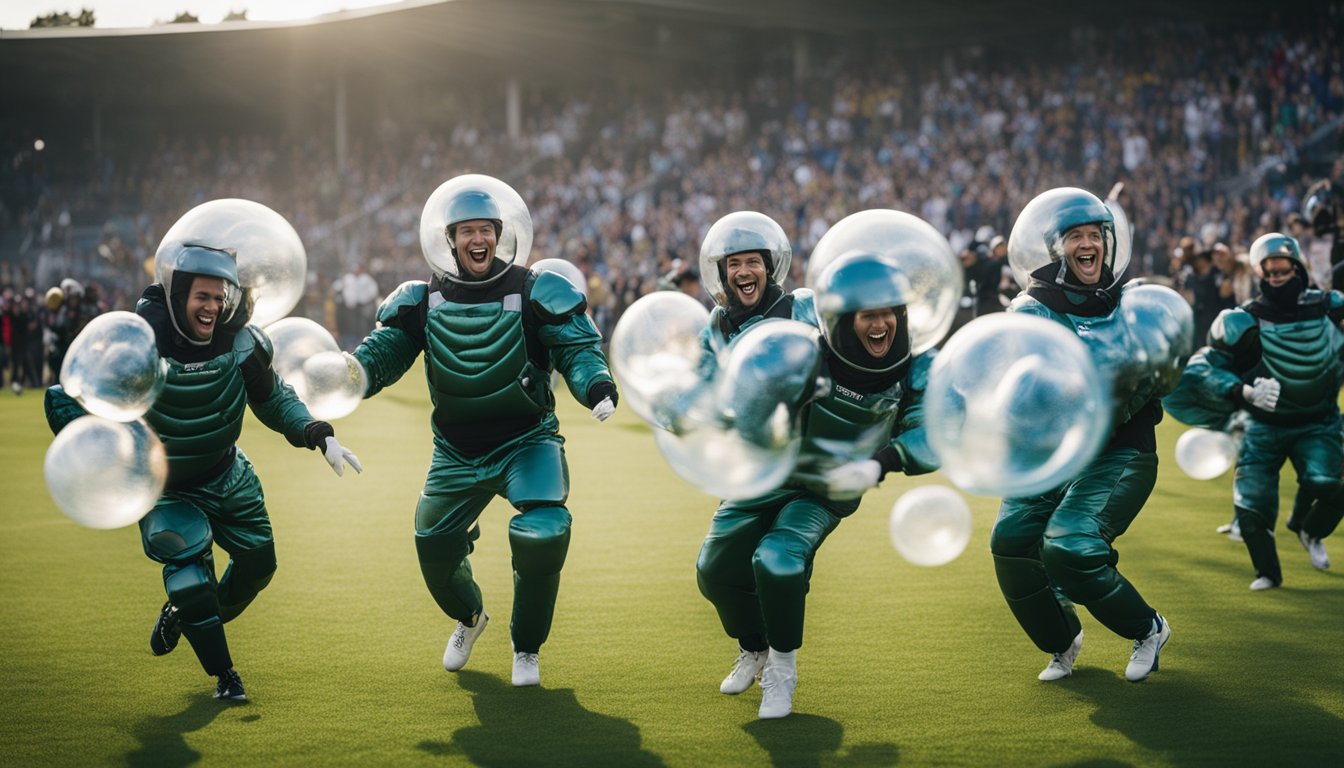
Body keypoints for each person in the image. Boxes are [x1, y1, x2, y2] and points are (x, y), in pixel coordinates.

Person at [43, 244, 361, 702]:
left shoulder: (240, 341)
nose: (212, 307)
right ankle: (224, 674)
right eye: (202, 297)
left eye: (220, 297)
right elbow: (73, 397)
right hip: (167, 487)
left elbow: (273, 398)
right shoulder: (139, 346)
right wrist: (91, 440)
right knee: (192, 582)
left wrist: (317, 432)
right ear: (177, 296)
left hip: (228, 474)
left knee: (258, 566)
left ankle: (185, 614)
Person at [350, 180, 617, 688]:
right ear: (450, 239)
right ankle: (470, 618)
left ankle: (527, 648)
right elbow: (381, 354)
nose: (477, 239)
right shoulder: (421, 299)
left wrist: (595, 384)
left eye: (485, 230)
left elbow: (575, 348)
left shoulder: (534, 288)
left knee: (545, 532)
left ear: (499, 235)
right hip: (455, 451)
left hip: (527, 440)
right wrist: (349, 376)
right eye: (466, 230)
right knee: (432, 544)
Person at [693, 246, 939, 720]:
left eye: (888, 313)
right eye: (867, 314)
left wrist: (882, 462)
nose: (878, 324)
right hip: (771, 471)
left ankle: (782, 671)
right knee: (714, 571)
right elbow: (739, 388)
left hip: (827, 487)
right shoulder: (809, 345)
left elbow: (935, 430)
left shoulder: (917, 362)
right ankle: (755, 647)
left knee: (778, 560)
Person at [990, 188, 1173, 684]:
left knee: (1068, 546)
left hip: (1120, 452)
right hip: (1054, 450)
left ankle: (1148, 629)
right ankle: (1061, 641)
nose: (1088, 244)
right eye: (1076, 236)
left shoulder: (1133, 305)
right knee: (1010, 542)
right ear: (1057, 248)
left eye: (1095, 234)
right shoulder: (1032, 309)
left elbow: (1167, 374)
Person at [1166, 232, 1344, 589]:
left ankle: (1309, 530)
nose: (1278, 278)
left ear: (1298, 268)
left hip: (1318, 422)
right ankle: (1268, 572)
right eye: (1271, 273)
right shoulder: (1243, 320)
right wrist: (1241, 390)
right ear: (1261, 275)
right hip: (1262, 424)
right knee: (1251, 507)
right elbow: (1203, 367)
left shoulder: (1329, 305)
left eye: (1284, 271)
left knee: (1331, 485)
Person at [696, 211, 814, 377]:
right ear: (724, 275)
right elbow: (700, 382)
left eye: (752, 262)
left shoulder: (802, 308)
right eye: (734, 264)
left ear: (767, 268)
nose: (743, 272)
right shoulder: (718, 325)